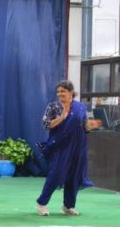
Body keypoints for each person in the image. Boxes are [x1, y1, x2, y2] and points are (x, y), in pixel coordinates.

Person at [36, 80, 93, 216]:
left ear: (71, 92)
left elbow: (85, 126)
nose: (59, 94)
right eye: (58, 91)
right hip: (60, 146)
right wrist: (62, 117)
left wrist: (91, 125)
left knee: (74, 176)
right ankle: (42, 203)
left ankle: (68, 206)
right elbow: (46, 125)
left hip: (78, 147)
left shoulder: (81, 107)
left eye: (63, 91)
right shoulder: (53, 107)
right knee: (56, 174)